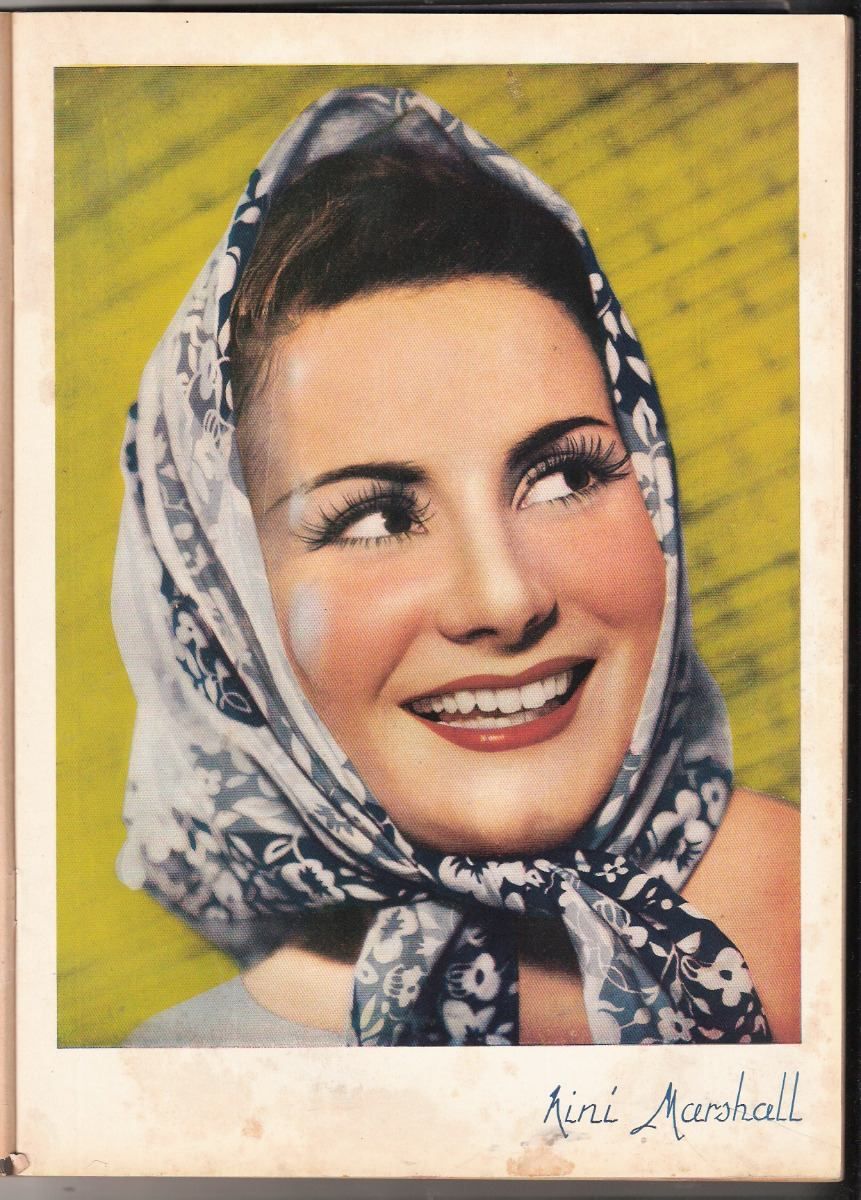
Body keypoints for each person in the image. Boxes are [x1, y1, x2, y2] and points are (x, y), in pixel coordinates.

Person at [114, 87, 799, 1048]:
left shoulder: (829, 910)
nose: (505, 598)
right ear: (225, 616)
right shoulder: (184, 1073)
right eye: (375, 518)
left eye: (563, 477)